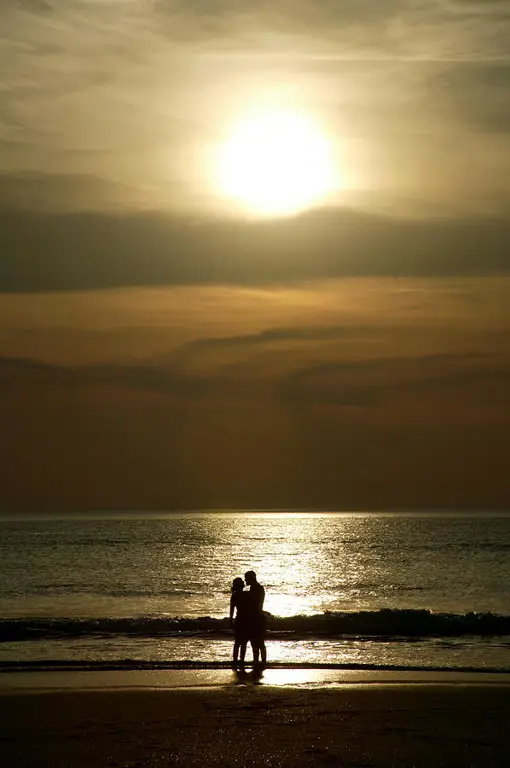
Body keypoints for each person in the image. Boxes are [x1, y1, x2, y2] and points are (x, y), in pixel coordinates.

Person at [244, 570, 267, 666]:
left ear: (251, 578)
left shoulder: (257, 589)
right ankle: (258, 661)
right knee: (256, 642)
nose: (245, 580)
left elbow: (258, 604)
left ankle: (261, 661)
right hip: (256, 617)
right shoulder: (255, 588)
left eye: (246, 578)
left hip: (256, 618)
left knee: (258, 641)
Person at [229, 577, 251, 668]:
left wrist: (230, 620)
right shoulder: (246, 594)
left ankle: (236, 660)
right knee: (242, 643)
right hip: (245, 619)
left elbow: (232, 610)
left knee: (238, 642)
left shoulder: (235, 595)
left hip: (240, 619)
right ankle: (241, 660)